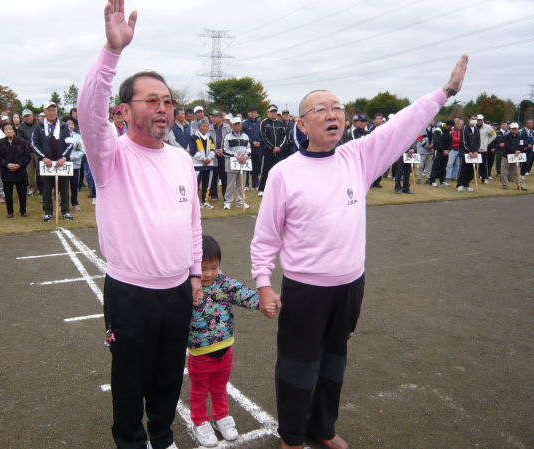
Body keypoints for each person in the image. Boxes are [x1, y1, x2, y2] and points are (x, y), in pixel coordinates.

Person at [250, 55, 469, 449]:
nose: (332, 115)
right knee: (298, 364)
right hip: (305, 289)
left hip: (350, 285)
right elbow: (265, 237)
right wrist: (264, 284)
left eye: (338, 109)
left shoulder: (358, 158)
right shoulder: (284, 173)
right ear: (301, 124)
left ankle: (323, 427)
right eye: (321, 109)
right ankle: (293, 436)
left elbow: (401, 125)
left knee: (335, 359)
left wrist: (445, 93)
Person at [76, 2, 203, 448]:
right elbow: (88, 111)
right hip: (130, 292)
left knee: (169, 374)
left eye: (168, 101)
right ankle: (131, 441)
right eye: (151, 100)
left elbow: (192, 220)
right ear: (125, 111)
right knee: (130, 379)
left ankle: (162, 436)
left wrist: (193, 274)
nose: (163, 108)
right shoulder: (110, 156)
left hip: (177, 292)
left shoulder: (182, 159)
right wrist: (112, 53)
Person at [187, 235, 261, 447]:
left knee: (220, 387)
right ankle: (199, 421)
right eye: (203, 268)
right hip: (200, 353)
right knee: (199, 390)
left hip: (225, 349)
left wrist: (261, 301)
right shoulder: (188, 287)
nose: (209, 274)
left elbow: (243, 294)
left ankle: (221, 417)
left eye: (214, 267)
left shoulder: (224, 282)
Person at [32, 101, 74, 222]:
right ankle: (48, 212)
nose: (52, 112)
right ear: (44, 112)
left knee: (64, 189)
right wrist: (43, 157)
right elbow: (34, 144)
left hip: (61, 162)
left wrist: (64, 157)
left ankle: (65, 211)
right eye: (49, 110)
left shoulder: (64, 126)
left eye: (54, 110)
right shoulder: (39, 127)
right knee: (46, 189)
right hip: (47, 163)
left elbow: (70, 143)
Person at [0, 122, 32, 218]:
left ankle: (23, 211)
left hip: (20, 172)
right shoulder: (0, 143)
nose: (9, 131)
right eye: (7, 129)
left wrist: (19, 164)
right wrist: (6, 164)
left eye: (10, 129)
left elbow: (27, 156)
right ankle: (10, 211)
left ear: (14, 130)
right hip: (6, 172)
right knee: (8, 194)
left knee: (22, 193)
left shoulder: (22, 141)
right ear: (4, 131)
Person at [222, 116, 250, 209]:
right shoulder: (227, 137)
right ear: (231, 126)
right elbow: (224, 150)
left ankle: (241, 201)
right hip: (231, 164)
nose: (237, 126)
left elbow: (249, 148)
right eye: (235, 124)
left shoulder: (245, 136)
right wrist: (235, 155)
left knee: (241, 183)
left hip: (243, 163)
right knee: (230, 184)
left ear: (241, 125)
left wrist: (245, 156)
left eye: (239, 124)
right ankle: (228, 202)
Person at [258, 104, 286, 197]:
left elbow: (284, 136)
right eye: (271, 111)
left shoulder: (280, 123)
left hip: (278, 151)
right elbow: (263, 136)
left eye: (275, 111)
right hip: (268, 151)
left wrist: (278, 147)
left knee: (278, 170)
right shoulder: (264, 123)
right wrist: (272, 147)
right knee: (265, 170)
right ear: (268, 112)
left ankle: (277, 188)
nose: (273, 113)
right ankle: (262, 189)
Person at [191, 119, 215, 209]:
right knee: (195, 184)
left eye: (207, 126)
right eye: (203, 126)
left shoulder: (210, 137)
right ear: (199, 127)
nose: (205, 128)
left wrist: (209, 159)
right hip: (198, 165)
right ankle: (194, 203)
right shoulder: (193, 137)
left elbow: (213, 149)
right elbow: (193, 152)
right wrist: (204, 159)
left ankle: (204, 201)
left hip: (209, 165)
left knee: (207, 184)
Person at [63, 116, 86, 211]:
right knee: (63, 185)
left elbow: (81, 150)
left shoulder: (78, 136)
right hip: (63, 164)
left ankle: (75, 203)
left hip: (75, 164)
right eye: (68, 124)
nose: (70, 126)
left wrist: (72, 157)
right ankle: (62, 204)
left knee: (74, 184)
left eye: (72, 124)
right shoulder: (60, 136)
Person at [17, 109, 40, 196]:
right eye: (25, 116)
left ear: (32, 115)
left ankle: (41, 187)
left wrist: (36, 143)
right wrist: (28, 143)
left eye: (29, 116)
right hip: (27, 152)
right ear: (23, 118)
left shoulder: (38, 125)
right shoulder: (21, 127)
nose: (27, 118)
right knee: (29, 172)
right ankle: (31, 188)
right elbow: (19, 138)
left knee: (40, 171)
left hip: (38, 152)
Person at [209, 110, 230, 201]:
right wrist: (214, 150)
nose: (213, 118)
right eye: (212, 116)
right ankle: (213, 194)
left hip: (224, 155)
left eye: (215, 117)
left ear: (221, 118)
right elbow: (207, 142)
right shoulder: (208, 128)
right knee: (213, 175)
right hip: (213, 155)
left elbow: (230, 140)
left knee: (225, 176)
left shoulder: (228, 127)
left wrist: (223, 150)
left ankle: (226, 195)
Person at [501, 123, 527, 190]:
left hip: (516, 156)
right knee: (504, 172)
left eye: (516, 128)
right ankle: (505, 186)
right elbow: (507, 146)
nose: (514, 129)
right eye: (513, 128)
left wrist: (519, 150)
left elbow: (521, 145)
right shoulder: (506, 136)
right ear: (510, 129)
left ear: (518, 129)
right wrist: (515, 151)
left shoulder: (520, 136)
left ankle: (520, 185)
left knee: (517, 171)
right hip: (506, 156)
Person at [241, 104, 262, 190]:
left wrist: (259, 142)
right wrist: (252, 142)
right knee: (247, 167)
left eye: (255, 112)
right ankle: (246, 185)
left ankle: (255, 185)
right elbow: (243, 135)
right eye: (251, 112)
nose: (253, 114)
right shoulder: (245, 123)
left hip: (258, 148)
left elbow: (262, 135)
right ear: (248, 113)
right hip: (248, 148)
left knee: (256, 168)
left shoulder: (259, 123)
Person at [457, 113, 479, 192]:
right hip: (465, 153)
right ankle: (460, 184)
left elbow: (478, 142)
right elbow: (463, 141)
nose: (474, 120)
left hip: (474, 153)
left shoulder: (476, 129)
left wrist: (476, 151)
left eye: (475, 119)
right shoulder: (464, 129)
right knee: (463, 169)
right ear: (469, 119)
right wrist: (469, 151)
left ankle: (466, 184)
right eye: (473, 119)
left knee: (472, 169)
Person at [429, 120, 454, 187]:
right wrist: (442, 150)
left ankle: (442, 181)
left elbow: (451, 141)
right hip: (438, 151)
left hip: (446, 152)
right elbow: (436, 142)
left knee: (443, 166)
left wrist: (448, 150)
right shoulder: (438, 130)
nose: (450, 128)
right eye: (449, 127)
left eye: (451, 127)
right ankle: (432, 181)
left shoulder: (450, 131)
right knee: (435, 166)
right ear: (446, 125)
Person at [475, 114, 496, 183]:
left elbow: (493, 135)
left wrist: (487, 143)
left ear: (483, 120)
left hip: (483, 149)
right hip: (474, 148)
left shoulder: (488, 127)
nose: (479, 121)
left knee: (483, 165)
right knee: (472, 164)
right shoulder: (473, 127)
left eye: (480, 120)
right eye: (478, 120)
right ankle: (471, 177)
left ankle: (484, 178)